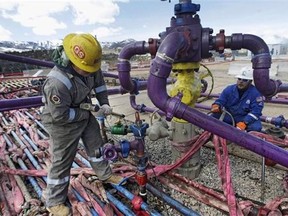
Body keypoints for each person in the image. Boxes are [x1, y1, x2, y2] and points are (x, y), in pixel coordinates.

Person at [41, 33, 124, 216]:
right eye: (86, 69)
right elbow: (60, 115)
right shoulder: (57, 83)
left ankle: (105, 174)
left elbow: (100, 85)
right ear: (73, 61)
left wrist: (104, 104)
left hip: (83, 113)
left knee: (97, 146)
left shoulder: (90, 64)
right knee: (62, 161)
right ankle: (54, 202)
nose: (90, 72)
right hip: (61, 122)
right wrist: (86, 111)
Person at [210, 66, 264, 132]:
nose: (241, 82)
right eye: (239, 79)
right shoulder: (229, 89)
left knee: (256, 127)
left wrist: (245, 122)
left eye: (244, 80)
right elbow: (221, 100)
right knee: (211, 118)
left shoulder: (256, 94)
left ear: (250, 81)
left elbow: (256, 112)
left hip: (244, 117)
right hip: (229, 116)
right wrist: (217, 105)